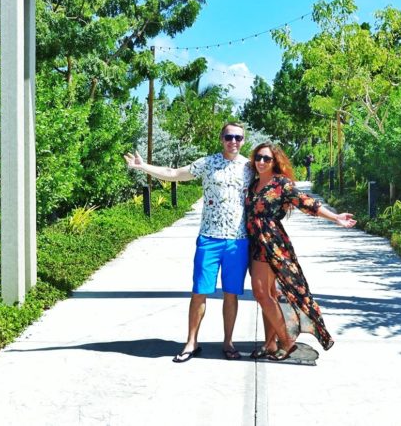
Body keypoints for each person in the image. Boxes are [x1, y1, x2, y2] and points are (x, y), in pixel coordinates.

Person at [124, 122, 252, 363]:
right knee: (199, 293)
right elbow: (175, 174)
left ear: (243, 140)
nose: (233, 141)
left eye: (238, 137)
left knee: (231, 294)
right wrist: (144, 167)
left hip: (238, 241)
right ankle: (191, 342)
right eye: (228, 136)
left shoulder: (249, 167)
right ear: (221, 138)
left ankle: (228, 342)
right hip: (209, 238)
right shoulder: (208, 163)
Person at [246, 142, 356, 361]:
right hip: (254, 241)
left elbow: (306, 202)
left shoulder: (281, 183)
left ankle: (287, 342)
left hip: (272, 243)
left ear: (274, 161)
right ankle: (270, 343)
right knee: (269, 295)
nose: (261, 162)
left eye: (267, 159)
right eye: (258, 157)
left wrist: (335, 217)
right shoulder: (253, 183)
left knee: (261, 293)